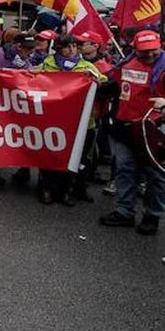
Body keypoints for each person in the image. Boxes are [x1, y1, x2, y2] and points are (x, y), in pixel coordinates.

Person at [99, 29, 165, 235]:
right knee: (124, 170)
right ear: (135, 49)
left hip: (154, 130)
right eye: (144, 51)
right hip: (125, 126)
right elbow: (115, 86)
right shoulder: (126, 64)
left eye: (153, 51)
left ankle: (152, 215)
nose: (150, 55)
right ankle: (124, 211)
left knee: (155, 175)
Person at [35, 33, 105, 205]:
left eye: (74, 46)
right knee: (50, 155)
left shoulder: (86, 66)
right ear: (59, 48)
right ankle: (46, 189)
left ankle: (66, 190)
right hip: (53, 119)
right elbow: (30, 77)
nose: (72, 49)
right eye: (67, 46)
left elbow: (103, 80)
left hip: (81, 122)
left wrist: (98, 80)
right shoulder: (47, 65)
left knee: (77, 157)